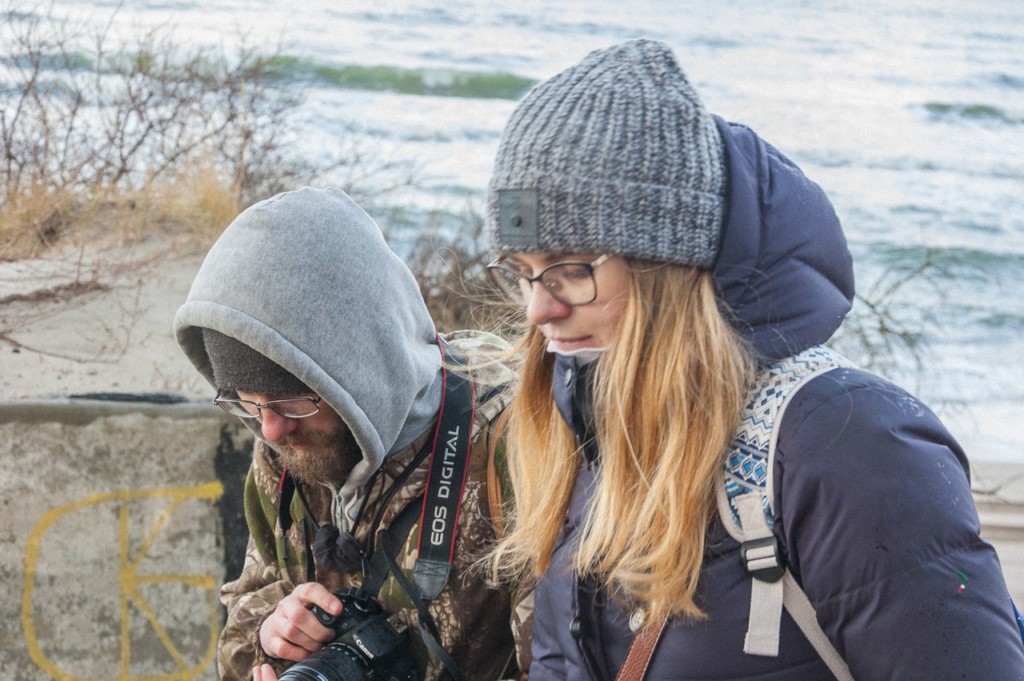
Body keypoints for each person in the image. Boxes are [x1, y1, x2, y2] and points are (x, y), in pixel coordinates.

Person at [484, 39, 1024, 680]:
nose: (539, 309)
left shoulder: (850, 447)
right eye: (521, 272)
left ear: (669, 264)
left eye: (571, 271)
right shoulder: (585, 429)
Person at [174, 187, 529, 681]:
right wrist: (270, 635)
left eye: (291, 399)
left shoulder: (514, 447)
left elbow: (572, 663)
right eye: (247, 402)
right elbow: (242, 613)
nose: (270, 428)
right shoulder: (284, 445)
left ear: (359, 373)